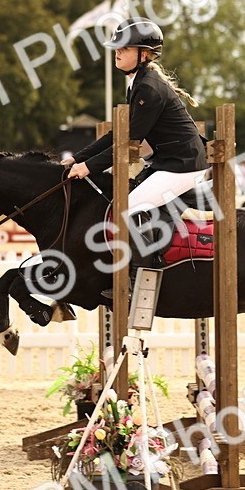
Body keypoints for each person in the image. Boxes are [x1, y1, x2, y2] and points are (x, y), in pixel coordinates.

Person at [64, 17, 209, 298]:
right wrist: (78, 159)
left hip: (183, 167)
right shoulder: (138, 82)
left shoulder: (148, 88)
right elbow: (118, 134)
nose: (117, 52)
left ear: (143, 54)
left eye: (124, 48)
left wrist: (88, 167)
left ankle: (138, 283)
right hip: (169, 163)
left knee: (128, 210)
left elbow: (129, 142)